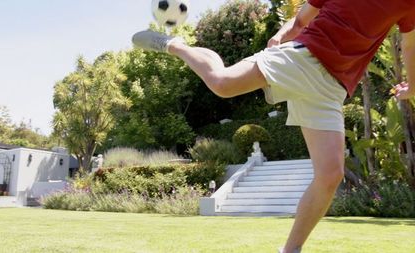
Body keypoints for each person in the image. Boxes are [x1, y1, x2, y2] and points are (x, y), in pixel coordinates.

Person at [132, 0, 415, 252]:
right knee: (222, 83)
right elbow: (303, 18)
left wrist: (412, 86)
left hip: (332, 87)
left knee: (330, 175)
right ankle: (176, 46)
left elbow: (410, 44)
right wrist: (280, 36)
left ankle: (290, 250)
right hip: (302, 57)